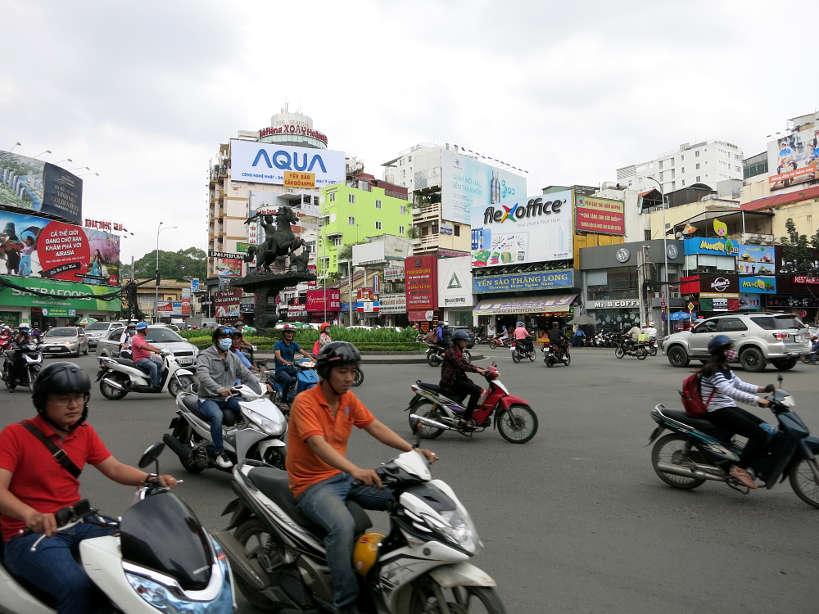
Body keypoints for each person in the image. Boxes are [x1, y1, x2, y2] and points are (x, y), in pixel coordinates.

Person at [0, 362, 177, 613]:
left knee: (145, 553)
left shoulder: (83, 433)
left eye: (79, 398)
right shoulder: (15, 435)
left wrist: (150, 479)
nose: (73, 405)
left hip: (79, 523)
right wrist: (30, 515)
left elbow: (114, 469)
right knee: (78, 587)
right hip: (29, 534)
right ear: (42, 401)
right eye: (63, 399)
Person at [286, 341, 437, 614]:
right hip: (312, 485)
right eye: (342, 371)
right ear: (326, 371)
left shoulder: (347, 400)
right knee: (342, 527)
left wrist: (413, 450)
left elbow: (374, 426)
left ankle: (393, 569)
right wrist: (355, 470)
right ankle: (344, 604)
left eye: (353, 371)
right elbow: (317, 444)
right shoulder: (304, 402)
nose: (349, 378)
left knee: (402, 497)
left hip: (342, 477)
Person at [700, 335, 775, 489]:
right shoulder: (712, 369)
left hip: (728, 407)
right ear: (720, 352)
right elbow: (729, 390)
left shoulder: (725, 367)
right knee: (758, 434)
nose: (733, 351)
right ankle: (739, 469)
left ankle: (751, 462)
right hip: (716, 411)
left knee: (766, 428)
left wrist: (762, 389)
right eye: (729, 349)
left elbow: (739, 384)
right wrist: (757, 400)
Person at [196, 326, 262, 469]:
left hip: (227, 397)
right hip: (208, 398)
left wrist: (260, 385)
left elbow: (245, 373)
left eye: (228, 338)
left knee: (248, 409)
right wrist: (219, 389)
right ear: (215, 340)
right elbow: (203, 376)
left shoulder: (233, 357)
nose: (226, 341)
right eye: (222, 338)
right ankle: (220, 452)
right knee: (217, 416)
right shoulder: (205, 355)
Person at [440, 329, 488, 427]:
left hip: (456, 378)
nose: (466, 342)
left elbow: (465, 363)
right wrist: (477, 370)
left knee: (470, 384)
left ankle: (457, 410)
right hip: (451, 381)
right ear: (458, 341)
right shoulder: (451, 351)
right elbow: (461, 365)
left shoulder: (458, 350)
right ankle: (465, 418)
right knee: (477, 391)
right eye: (464, 340)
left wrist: (480, 369)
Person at [274, 324, 309, 404]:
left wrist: (314, 360)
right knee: (288, 379)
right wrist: (286, 362)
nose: (290, 334)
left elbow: (304, 353)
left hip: (291, 369)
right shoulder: (278, 344)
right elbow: (278, 357)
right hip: (280, 370)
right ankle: (283, 401)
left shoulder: (294, 344)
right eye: (288, 332)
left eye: (291, 333)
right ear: (284, 334)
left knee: (304, 376)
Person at [131, 322, 162, 388]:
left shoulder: (141, 338)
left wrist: (158, 350)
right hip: (139, 359)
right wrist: (155, 350)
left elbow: (148, 346)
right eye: (146, 329)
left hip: (146, 358)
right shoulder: (136, 338)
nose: (148, 330)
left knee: (159, 365)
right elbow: (143, 346)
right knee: (153, 366)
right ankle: (153, 384)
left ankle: (157, 381)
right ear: (143, 330)